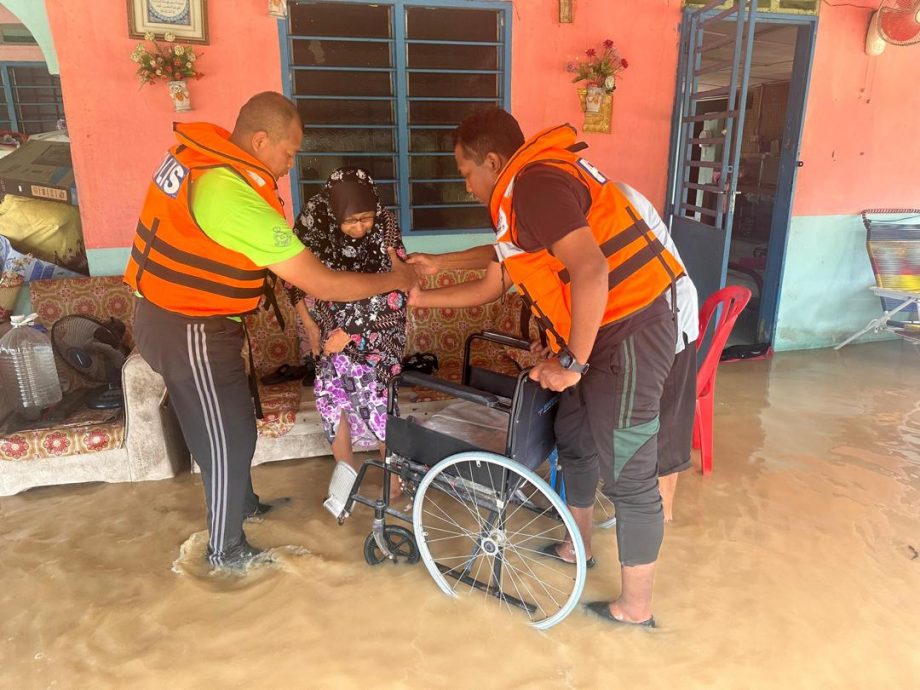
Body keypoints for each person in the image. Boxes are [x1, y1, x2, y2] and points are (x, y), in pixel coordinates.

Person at [408, 107, 683, 626]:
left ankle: (635, 609)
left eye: (465, 172)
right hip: (591, 335)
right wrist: (437, 271)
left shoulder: (535, 185)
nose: (466, 186)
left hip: (627, 334)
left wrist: (573, 363)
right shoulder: (523, 194)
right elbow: (503, 264)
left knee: (629, 472)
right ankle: (575, 544)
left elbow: (591, 268)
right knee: (573, 434)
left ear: (492, 161)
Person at [124, 92, 417, 571]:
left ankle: (241, 507)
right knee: (228, 437)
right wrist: (397, 279)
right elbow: (319, 283)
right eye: (288, 154)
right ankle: (226, 553)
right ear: (261, 140)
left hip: (194, 323)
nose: (287, 168)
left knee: (228, 424)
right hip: (186, 323)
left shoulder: (212, 165)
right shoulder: (230, 193)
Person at [409, 183, 699, 523]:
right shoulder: (551, 208)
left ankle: (653, 517)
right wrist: (441, 264)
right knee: (581, 434)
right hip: (605, 330)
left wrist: (572, 355)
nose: (471, 187)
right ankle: (584, 539)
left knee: (659, 436)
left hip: (664, 319)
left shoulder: (609, 203)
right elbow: (507, 255)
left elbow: (595, 279)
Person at [284, 167, 407, 516]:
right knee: (331, 397)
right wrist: (308, 324)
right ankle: (346, 474)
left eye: (366, 218)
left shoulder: (386, 228)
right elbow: (291, 277)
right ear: (334, 213)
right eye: (351, 221)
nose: (360, 228)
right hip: (328, 335)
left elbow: (400, 289)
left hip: (378, 337)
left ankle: (395, 486)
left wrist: (351, 333)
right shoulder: (315, 225)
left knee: (378, 405)